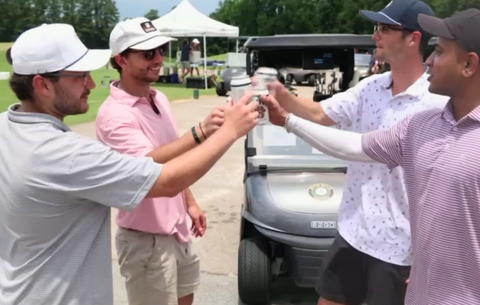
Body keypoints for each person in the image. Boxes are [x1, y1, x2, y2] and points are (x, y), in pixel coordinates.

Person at [0, 23, 259, 305]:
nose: (89, 84)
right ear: (42, 84)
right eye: (79, 76)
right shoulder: (66, 152)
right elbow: (161, 178)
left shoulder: (7, 126)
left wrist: (189, 202)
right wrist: (228, 131)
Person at [261, 8, 480, 305]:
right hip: (355, 233)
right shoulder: (394, 105)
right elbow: (345, 139)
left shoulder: (437, 105)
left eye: (384, 28)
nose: (375, 34)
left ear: (413, 38)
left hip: (401, 250)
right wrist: (285, 109)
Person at [96, 17, 223, 305]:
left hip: (176, 229)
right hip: (146, 238)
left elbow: (174, 154)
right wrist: (200, 132)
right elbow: (146, 163)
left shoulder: (159, 98)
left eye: (160, 50)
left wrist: (189, 202)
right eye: (147, 53)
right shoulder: (114, 114)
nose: (158, 59)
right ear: (121, 60)